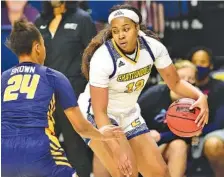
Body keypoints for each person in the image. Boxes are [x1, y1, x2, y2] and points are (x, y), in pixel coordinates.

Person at [78, 4, 209, 177]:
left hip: (129, 113)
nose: (121, 35)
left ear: (137, 28)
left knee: (160, 173)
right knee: (127, 173)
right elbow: (99, 111)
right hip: (97, 117)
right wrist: (117, 150)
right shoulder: (103, 58)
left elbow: (175, 83)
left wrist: (199, 96)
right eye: (116, 31)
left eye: (126, 29)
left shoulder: (153, 47)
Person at [1, 19, 121, 177]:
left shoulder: (3, 78)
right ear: (37, 47)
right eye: (44, 44)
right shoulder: (53, 76)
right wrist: (102, 135)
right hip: (39, 149)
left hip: (4, 155)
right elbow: (81, 128)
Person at [35, 2, 97, 176]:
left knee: (75, 147)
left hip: (73, 95)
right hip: (45, 96)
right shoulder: (39, 21)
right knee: (42, 148)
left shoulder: (82, 19)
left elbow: (94, 58)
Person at [138, 59, 197, 177]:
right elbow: (132, 117)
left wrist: (161, 136)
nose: (187, 81)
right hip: (143, 142)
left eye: (191, 78)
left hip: (170, 144)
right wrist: (145, 134)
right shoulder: (154, 94)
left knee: (179, 145)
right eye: (182, 77)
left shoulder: (196, 102)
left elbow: (187, 135)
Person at [188, 46, 224, 177]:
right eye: (194, 62)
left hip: (212, 130)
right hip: (185, 134)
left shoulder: (219, 87)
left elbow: (220, 120)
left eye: (203, 62)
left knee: (213, 144)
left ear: (211, 65)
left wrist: (199, 132)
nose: (198, 65)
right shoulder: (182, 87)